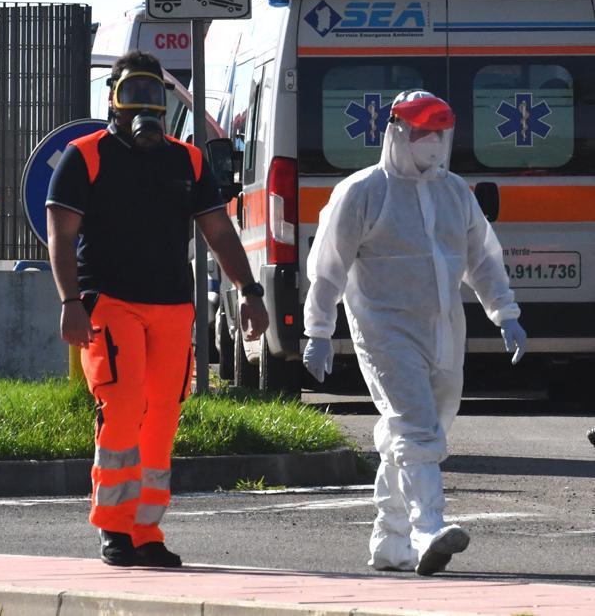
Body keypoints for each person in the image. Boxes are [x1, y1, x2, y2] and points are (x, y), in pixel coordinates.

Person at [46, 51, 268, 568]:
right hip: (109, 303)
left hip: (172, 307)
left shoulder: (186, 160)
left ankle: (147, 530)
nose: (143, 106)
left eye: (153, 95)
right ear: (112, 100)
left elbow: (218, 231)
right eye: (133, 94)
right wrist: (69, 302)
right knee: (122, 410)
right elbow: (62, 235)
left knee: (163, 418)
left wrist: (251, 292)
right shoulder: (85, 156)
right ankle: (114, 529)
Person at [302, 90, 526, 576]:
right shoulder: (362, 192)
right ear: (398, 131)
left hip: (445, 329)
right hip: (384, 329)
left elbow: (482, 259)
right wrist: (318, 329)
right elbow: (328, 267)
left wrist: (505, 313)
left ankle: (391, 542)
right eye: (423, 131)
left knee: (419, 433)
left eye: (440, 132)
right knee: (416, 425)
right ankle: (430, 529)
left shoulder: (454, 194)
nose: (433, 142)